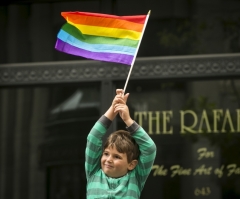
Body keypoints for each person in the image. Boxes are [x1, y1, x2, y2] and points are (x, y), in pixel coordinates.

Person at [85, 89, 157, 199]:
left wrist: (128, 120)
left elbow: (150, 148)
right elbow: (93, 137)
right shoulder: (93, 171)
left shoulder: (136, 177)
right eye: (106, 153)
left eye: (117, 156)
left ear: (131, 164)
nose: (108, 159)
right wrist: (113, 108)